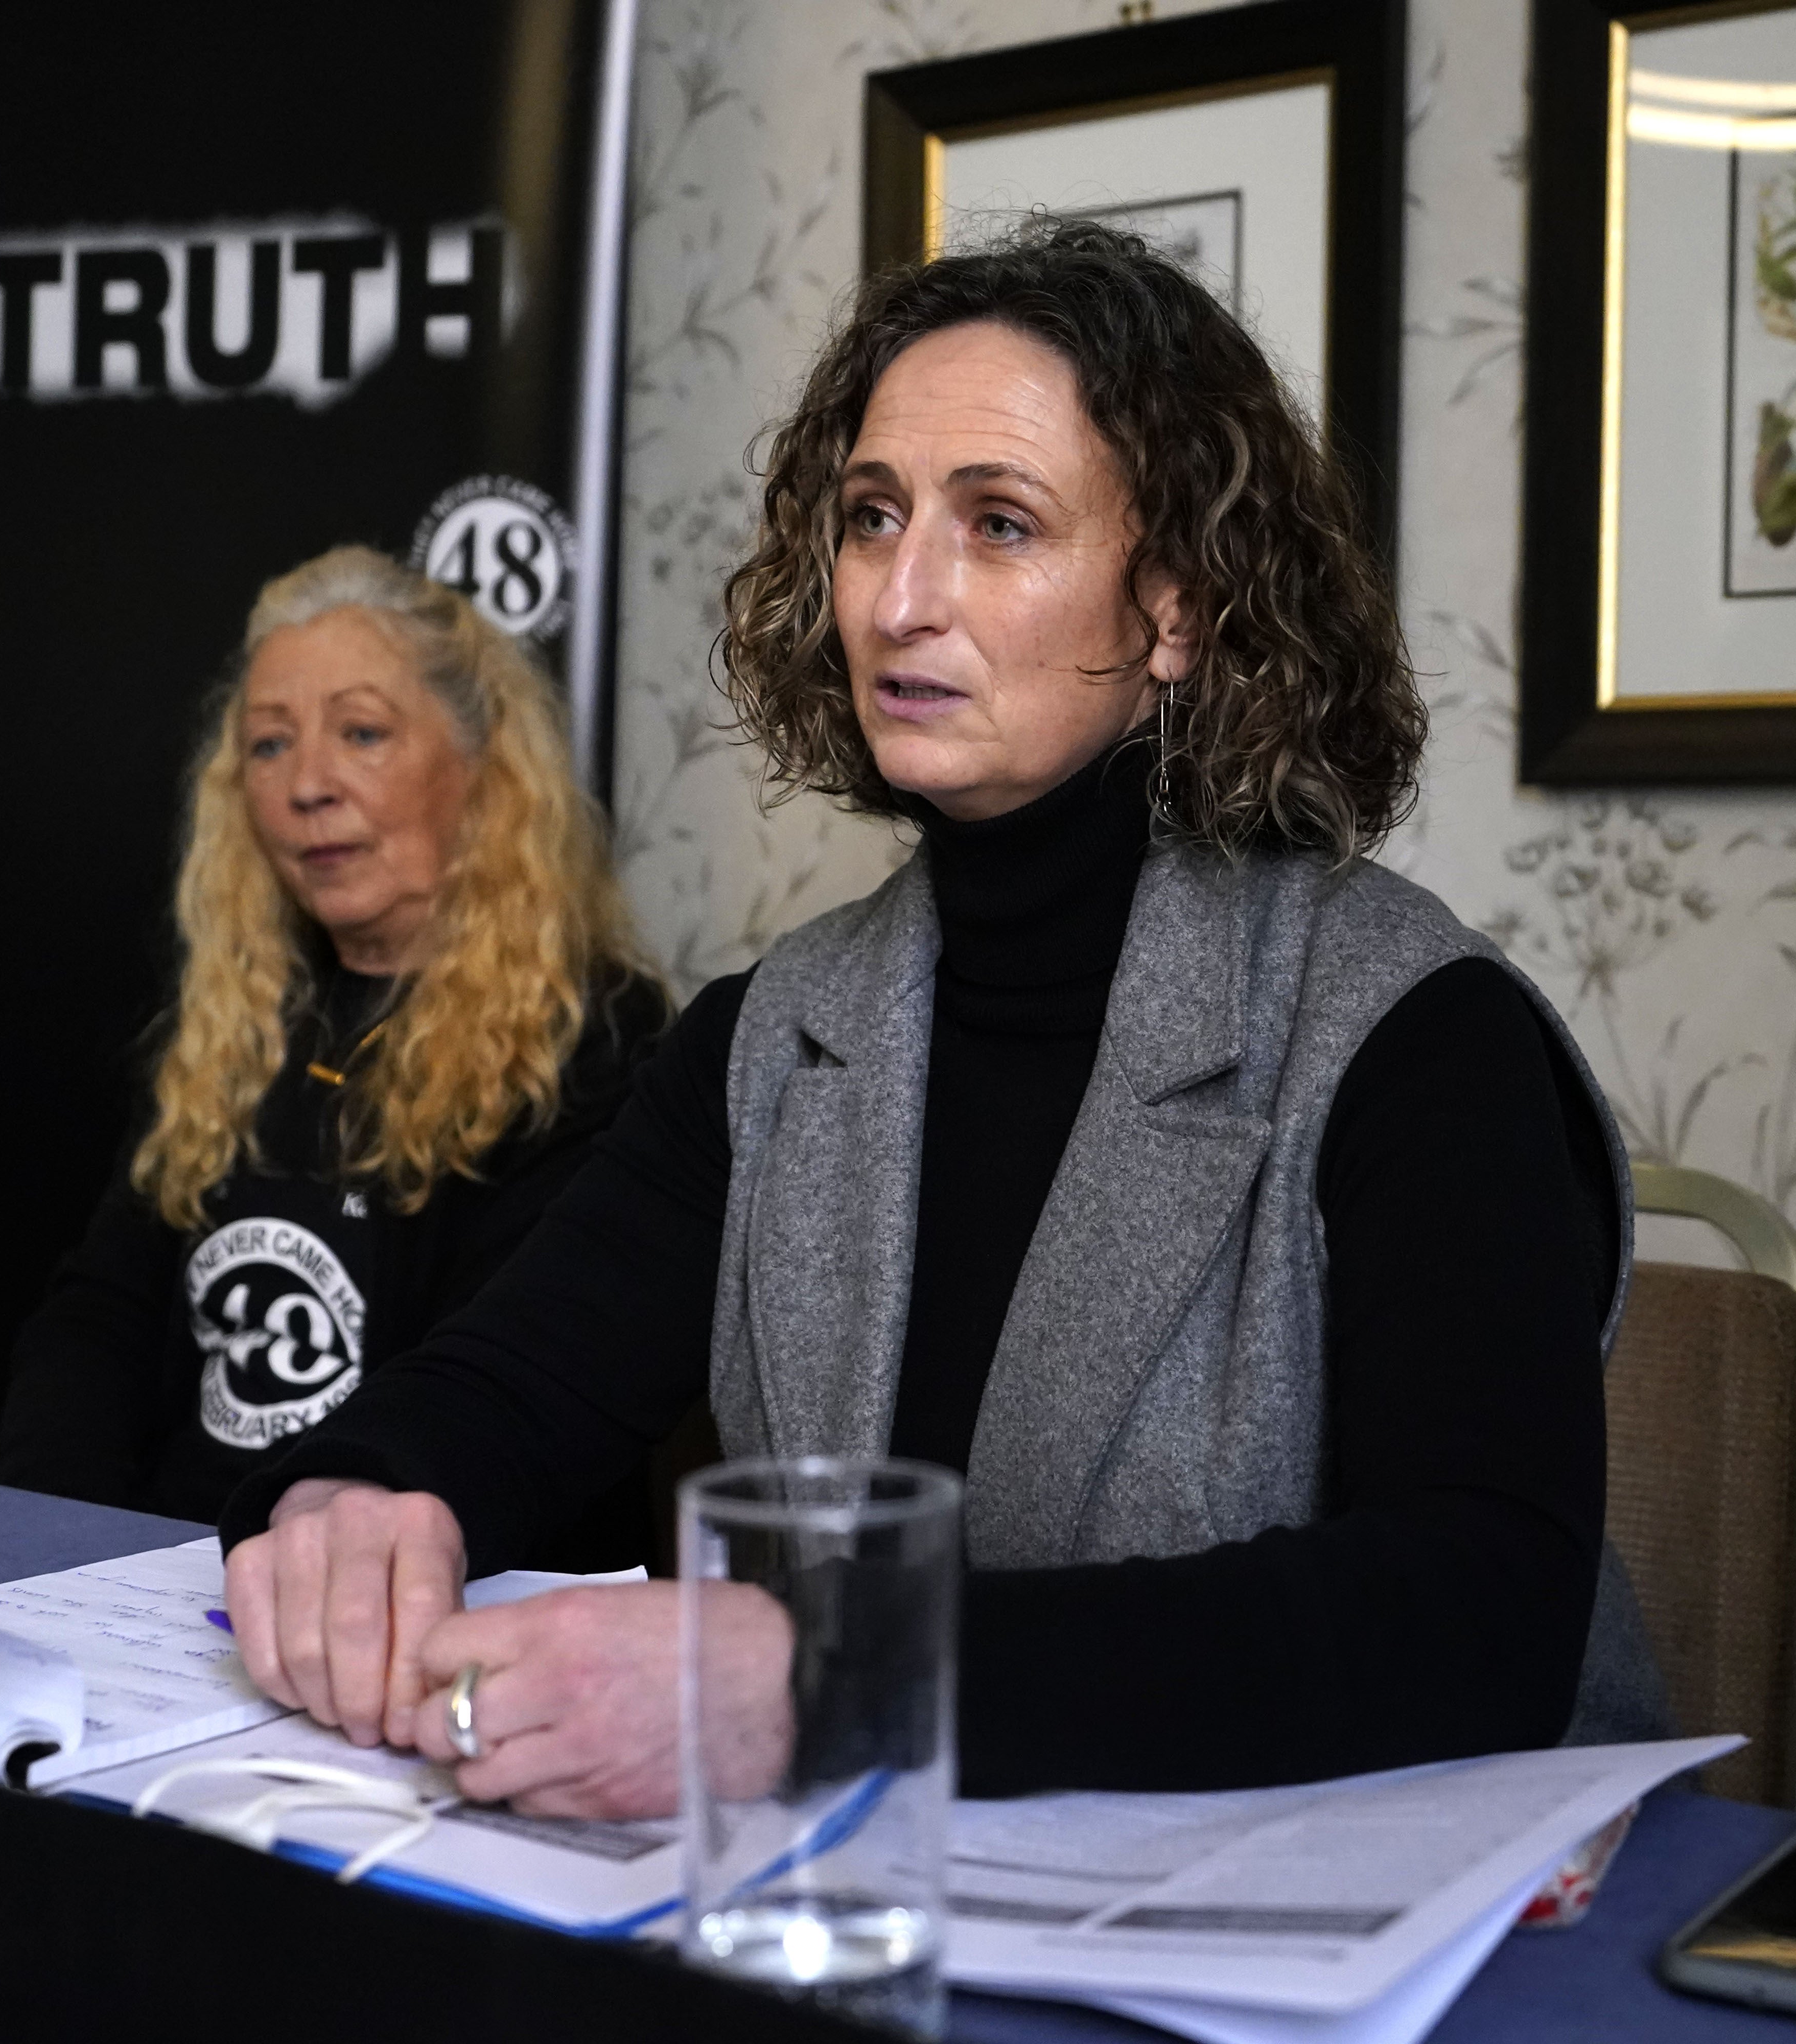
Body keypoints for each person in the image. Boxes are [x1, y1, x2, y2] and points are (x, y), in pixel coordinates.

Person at [218, 220, 1660, 1818]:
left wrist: (822, 1685)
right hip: (902, 1915)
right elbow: (506, 1392)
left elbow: (1479, 1616)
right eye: (871, 518)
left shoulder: (1419, 1031)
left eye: (1000, 524)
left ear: (1176, 610)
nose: (901, 599)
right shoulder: (775, 1034)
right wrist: (362, 1493)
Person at [0, 546, 669, 1557]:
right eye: (269, 746)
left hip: (406, 1593)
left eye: (361, 732)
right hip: (162, 1586)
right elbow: (101, 1318)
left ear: (482, 766)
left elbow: (503, 1395)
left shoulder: (597, 1038)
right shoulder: (247, 1014)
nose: (308, 784)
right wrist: (60, 1551)